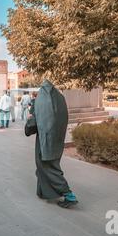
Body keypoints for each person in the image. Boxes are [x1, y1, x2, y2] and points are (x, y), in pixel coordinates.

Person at [33, 80, 78, 209]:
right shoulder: (60, 97)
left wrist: (29, 124)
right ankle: (43, 192)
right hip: (57, 139)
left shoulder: (41, 99)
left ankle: (69, 195)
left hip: (44, 141)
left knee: (48, 168)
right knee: (48, 166)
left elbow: (35, 121)